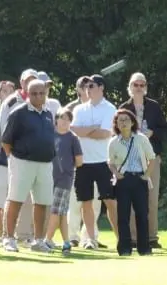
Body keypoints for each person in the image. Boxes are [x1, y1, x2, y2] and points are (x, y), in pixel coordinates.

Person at [1, 79, 55, 253]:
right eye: (34, 93)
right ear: (28, 94)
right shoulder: (19, 112)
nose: (38, 96)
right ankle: (9, 238)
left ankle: (39, 241)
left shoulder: (48, 113)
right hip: (22, 162)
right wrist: (14, 159)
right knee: (15, 199)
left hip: (45, 164)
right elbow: (6, 141)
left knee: (42, 203)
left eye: (41, 93)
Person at [119, 72, 167, 249]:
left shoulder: (154, 107)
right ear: (130, 88)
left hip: (151, 158)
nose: (138, 88)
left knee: (151, 199)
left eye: (142, 85)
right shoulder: (124, 107)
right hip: (130, 159)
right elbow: (117, 132)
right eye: (135, 85)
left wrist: (152, 133)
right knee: (131, 198)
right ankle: (133, 238)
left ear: (146, 87)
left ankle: (151, 237)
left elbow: (164, 129)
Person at [71, 74, 118, 249]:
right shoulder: (79, 110)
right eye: (86, 87)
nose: (87, 89)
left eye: (91, 86)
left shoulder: (109, 108)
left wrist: (85, 131)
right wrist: (92, 128)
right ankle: (89, 239)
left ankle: (122, 239)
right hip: (83, 162)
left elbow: (105, 133)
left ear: (101, 87)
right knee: (86, 201)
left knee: (110, 201)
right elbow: (74, 130)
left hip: (104, 161)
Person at [108, 109, 155, 256]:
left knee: (142, 214)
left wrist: (146, 175)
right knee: (123, 215)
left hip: (139, 179)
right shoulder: (114, 142)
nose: (123, 123)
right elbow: (110, 161)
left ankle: (144, 248)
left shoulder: (141, 139)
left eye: (126, 120)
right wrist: (116, 174)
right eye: (120, 120)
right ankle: (124, 248)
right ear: (116, 123)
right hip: (123, 180)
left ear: (133, 122)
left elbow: (151, 158)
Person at [44, 109, 82, 254]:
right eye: (61, 118)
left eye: (67, 119)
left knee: (55, 211)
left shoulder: (73, 138)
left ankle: (47, 240)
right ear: (56, 120)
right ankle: (66, 243)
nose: (64, 121)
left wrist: (66, 166)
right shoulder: (51, 136)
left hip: (64, 179)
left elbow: (79, 161)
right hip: (49, 178)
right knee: (62, 213)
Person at [0, 80, 15, 242]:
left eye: (11, 91)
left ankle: (8, 233)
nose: (8, 94)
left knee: (12, 200)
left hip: (16, 161)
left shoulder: (19, 112)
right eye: (5, 91)